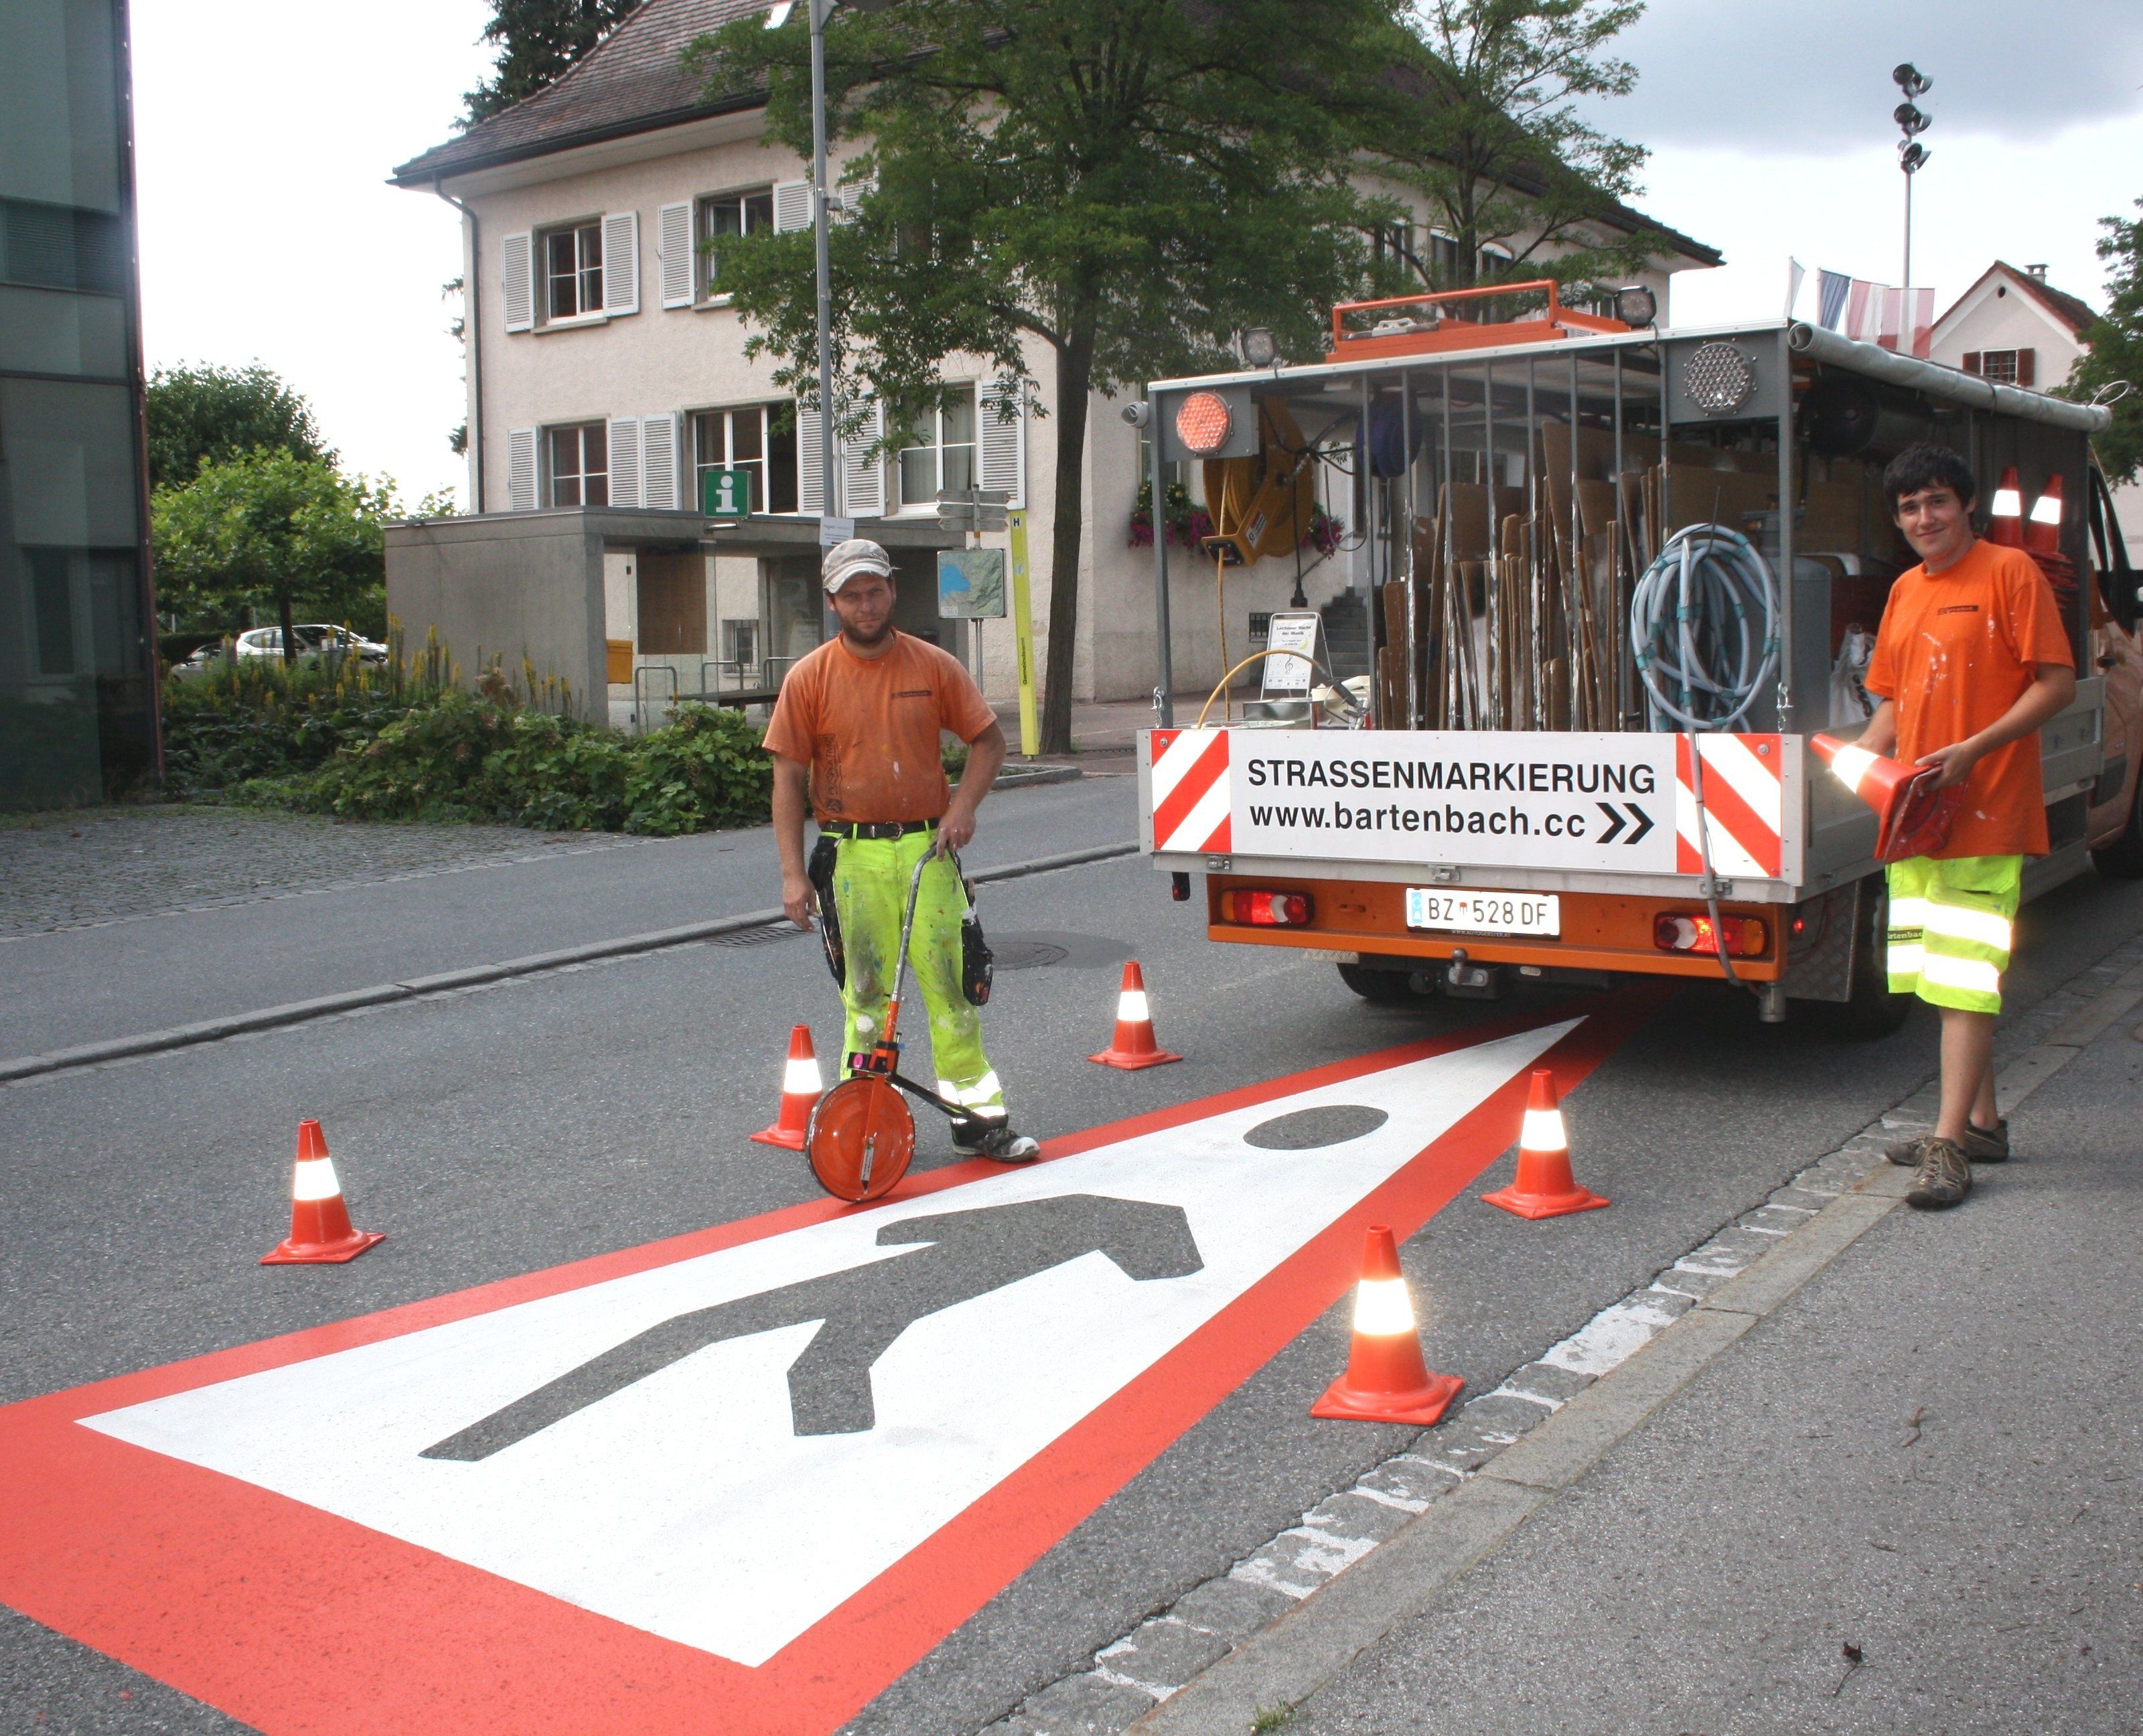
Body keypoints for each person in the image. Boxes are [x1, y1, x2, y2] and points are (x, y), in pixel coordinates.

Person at [763, 538, 1040, 1162]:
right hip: (849, 856)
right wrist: (792, 875)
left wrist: (962, 807)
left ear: (892, 591)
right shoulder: (809, 678)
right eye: (852, 596)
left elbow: (988, 742)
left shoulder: (933, 666)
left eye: (875, 591)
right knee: (864, 998)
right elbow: (787, 780)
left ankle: (978, 1123)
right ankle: (865, 1127)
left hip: (926, 851)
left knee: (952, 991)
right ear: (833, 602)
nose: (866, 605)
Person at [1860, 444, 2077, 1209]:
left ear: (1965, 505)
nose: (1924, 517)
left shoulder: (2009, 572)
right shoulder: (1904, 591)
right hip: (1919, 817)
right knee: (1943, 977)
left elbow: (2057, 683)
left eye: (1936, 501)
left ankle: (1947, 1146)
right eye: (1909, 507)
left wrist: (1974, 749)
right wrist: (1861, 759)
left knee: (1964, 982)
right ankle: (1981, 1124)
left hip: (1986, 813)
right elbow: (1891, 698)